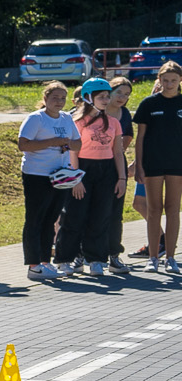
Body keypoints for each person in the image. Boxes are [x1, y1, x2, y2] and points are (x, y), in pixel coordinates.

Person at [54, 78, 128, 276]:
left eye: (107, 96)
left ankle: (95, 259)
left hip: (106, 171)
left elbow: (118, 152)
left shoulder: (113, 122)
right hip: (82, 169)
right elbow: (72, 152)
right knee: (73, 215)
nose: (106, 100)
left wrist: (121, 179)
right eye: (101, 96)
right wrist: (76, 179)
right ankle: (65, 258)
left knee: (101, 216)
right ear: (88, 97)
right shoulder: (77, 122)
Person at [15, 81, 82, 280]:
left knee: (51, 219)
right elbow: (23, 144)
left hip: (60, 175)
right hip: (37, 174)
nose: (59, 102)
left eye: (62, 98)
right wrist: (52, 142)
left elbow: (78, 143)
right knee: (35, 219)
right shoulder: (36, 119)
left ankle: (45, 262)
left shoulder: (66, 118)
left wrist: (67, 144)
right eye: (54, 98)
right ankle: (33, 266)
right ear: (45, 99)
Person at [134, 60, 182, 271]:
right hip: (153, 164)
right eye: (165, 80)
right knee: (154, 210)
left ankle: (170, 258)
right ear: (159, 80)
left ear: (180, 80)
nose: (169, 84)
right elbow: (140, 138)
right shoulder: (149, 104)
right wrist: (139, 166)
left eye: (173, 80)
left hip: (177, 164)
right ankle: (153, 257)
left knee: (173, 210)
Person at [104, 79, 139, 273]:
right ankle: (87, 254)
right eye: (119, 93)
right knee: (94, 211)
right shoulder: (97, 110)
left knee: (115, 213)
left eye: (127, 95)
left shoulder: (124, 113)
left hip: (116, 164)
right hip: (94, 164)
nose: (123, 98)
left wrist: (118, 152)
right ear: (109, 91)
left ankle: (114, 255)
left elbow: (128, 136)